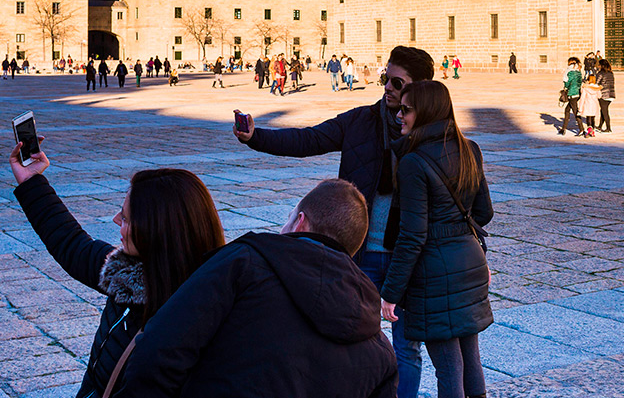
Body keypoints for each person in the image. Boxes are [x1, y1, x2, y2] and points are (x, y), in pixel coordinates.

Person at [233, 46, 436, 398]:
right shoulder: (360, 121)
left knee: (408, 348)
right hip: (363, 255)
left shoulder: (434, 133)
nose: (387, 87)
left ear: (420, 87)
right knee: (355, 342)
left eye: (397, 82)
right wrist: (257, 137)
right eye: (385, 78)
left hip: (410, 258)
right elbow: (310, 138)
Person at [117, 179, 398, 398]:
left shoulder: (244, 263)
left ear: (300, 222)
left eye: (288, 218)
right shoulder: (380, 352)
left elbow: (157, 352)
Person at [9, 141, 225, 398]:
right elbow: (72, 245)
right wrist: (32, 182)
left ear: (153, 232)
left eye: (125, 218)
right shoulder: (130, 272)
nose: (115, 221)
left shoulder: (193, 324)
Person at [381, 81, 493, 398]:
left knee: (448, 367)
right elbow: (483, 212)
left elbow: (413, 234)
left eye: (406, 109)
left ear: (426, 111)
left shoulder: (414, 162)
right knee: (470, 358)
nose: (399, 115)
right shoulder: (470, 148)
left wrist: (390, 293)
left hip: (435, 274)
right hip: (470, 261)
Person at [559, 57, 585, 136]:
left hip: (572, 94)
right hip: (577, 93)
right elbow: (580, 81)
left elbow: (567, 82)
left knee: (575, 112)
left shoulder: (569, 72)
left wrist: (566, 87)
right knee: (567, 110)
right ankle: (563, 128)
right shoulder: (579, 72)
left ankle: (581, 129)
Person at [596, 59, 615, 133]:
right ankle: (600, 125)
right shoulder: (610, 73)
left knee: (605, 111)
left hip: (603, 94)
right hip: (611, 94)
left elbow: (597, 83)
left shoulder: (600, 73)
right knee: (603, 110)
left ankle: (608, 128)